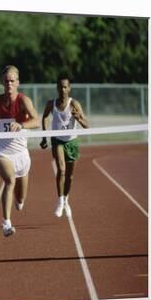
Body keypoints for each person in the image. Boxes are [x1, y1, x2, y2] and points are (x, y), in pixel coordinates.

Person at [0, 65, 40, 237]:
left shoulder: (23, 101)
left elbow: (37, 121)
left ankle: (18, 201)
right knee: (10, 180)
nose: (9, 83)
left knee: (21, 199)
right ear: (2, 82)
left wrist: (21, 124)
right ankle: (6, 224)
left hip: (22, 155)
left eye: (12, 80)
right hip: (3, 153)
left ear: (17, 82)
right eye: (6, 81)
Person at [40, 72, 89, 218]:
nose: (62, 90)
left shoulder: (74, 104)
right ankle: (60, 201)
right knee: (61, 169)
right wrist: (44, 136)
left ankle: (66, 199)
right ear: (57, 88)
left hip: (72, 142)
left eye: (65, 87)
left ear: (69, 89)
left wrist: (78, 118)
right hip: (57, 141)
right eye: (60, 87)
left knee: (70, 176)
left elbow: (87, 125)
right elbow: (44, 117)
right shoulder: (51, 103)